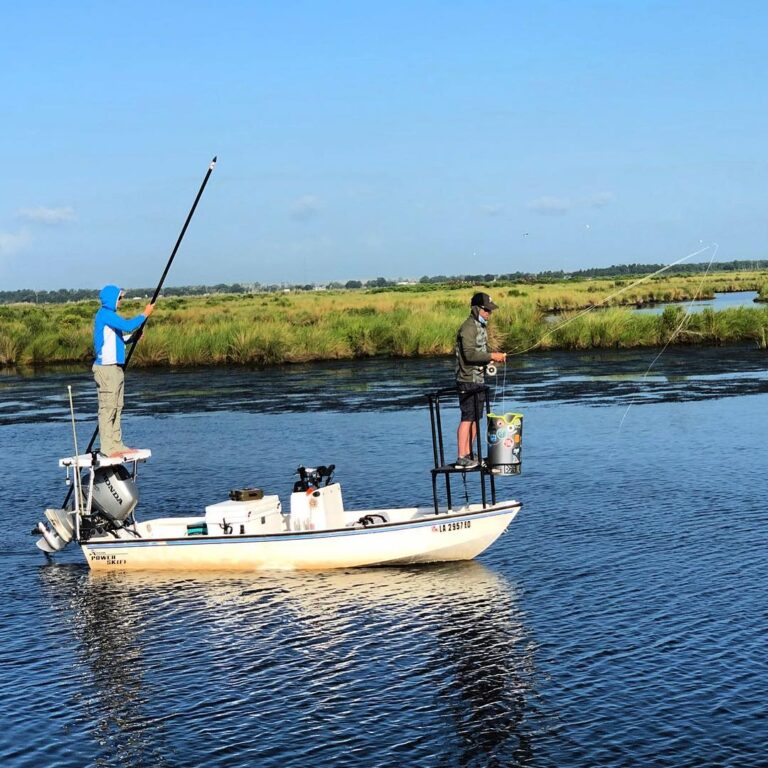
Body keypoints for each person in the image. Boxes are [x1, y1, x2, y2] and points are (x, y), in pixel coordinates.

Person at [93, 285, 154, 457]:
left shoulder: (110, 317)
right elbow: (128, 326)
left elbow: (119, 339)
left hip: (116, 368)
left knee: (118, 406)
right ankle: (107, 447)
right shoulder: (105, 315)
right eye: (119, 298)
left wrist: (133, 338)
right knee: (108, 408)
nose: (121, 301)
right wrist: (145, 314)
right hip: (106, 369)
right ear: (112, 299)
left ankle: (116, 444)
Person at [454, 292, 506, 468]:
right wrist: (492, 355)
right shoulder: (468, 327)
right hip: (467, 379)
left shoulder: (480, 326)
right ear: (476, 309)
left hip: (478, 379)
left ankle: (469, 453)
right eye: (486, 310)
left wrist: (490, 360)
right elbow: (469, 354)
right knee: (467, 417)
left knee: (476, 418)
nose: (488, 313)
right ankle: (461, 456)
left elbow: (479, 353)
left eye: (490, 311)